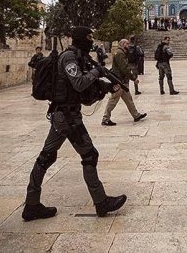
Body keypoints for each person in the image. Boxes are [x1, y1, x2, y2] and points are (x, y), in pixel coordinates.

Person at [23, 26, 127, 221]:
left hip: (63, 115)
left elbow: (80, 88)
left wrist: (105, 85)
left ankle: (32, 204)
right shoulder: (69, 58)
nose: (91, 40)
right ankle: (101, 201)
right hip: (66, 117)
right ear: (80, 38)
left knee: (46, 157)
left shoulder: (79, 56)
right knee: (89, 154)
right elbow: (79, 83)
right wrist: (97, 72)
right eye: (88, 37)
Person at [102, 39, 147, 126]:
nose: (128, 45)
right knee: (113, 100)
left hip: (123, 81)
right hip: (120, 81)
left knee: (128, 99)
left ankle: (136, 115)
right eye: (127, 43)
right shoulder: (120, 53)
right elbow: (124, 68)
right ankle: (105, 119)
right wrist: (134, 78)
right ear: (122, 44)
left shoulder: (121, 53)